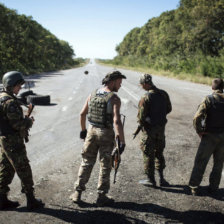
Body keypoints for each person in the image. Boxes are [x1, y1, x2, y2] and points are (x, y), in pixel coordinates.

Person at [70, 70, 126, 206]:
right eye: (119, 82)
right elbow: (117, 121)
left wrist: (83, 131)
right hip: (105, 133)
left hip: (91, 130)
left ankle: (77, 193)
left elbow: (82, 114)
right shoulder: (114, 99)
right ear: (112, 81)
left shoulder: (93, 94)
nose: (120, 86)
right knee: (105, 164)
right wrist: (122, 140)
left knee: (87, 161)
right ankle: (101, 196)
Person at [0, 71, 44, 210]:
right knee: (24, 169)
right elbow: (17, 124)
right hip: (13, 141)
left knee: (6, 169)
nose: (20, 88)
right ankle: (31, 200)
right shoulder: (11, 102)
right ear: (10, 85)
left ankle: (2, 200)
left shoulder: (2, 97)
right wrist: (29, 121)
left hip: (4, 139)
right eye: (18, 85)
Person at [189, 78, 224, 196]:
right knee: (218, 164)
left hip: (209, 135)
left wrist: (199, 131)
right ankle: (213, 187)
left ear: (213, 87)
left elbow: (197, 117)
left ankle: (194, 186)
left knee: (200, 161)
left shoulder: (209, 99)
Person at [136, 74, 172, 187]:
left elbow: (141, 117)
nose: (141, 86)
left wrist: (144, 122)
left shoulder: (146, 97)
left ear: (146, 84)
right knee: (159, 153)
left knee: (148, 154)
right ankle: (162, 178)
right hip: (161, 130)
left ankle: (150, 179)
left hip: (149, 131)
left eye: (141, 84)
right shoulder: (163, 94)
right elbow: (169, 109)